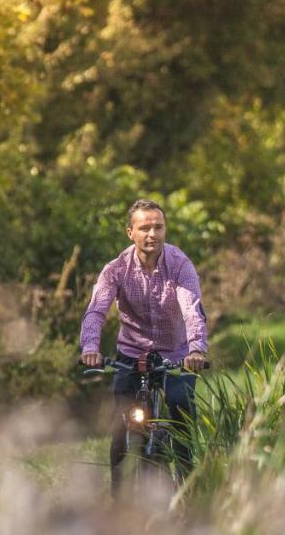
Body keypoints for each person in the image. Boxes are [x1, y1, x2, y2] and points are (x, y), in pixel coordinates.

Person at [79, 198, 209, 495]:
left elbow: (192, 309)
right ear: (130, 232)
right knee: (120, 426)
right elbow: (97, 310)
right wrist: (90, 347)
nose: (153, 234)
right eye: (145, 228)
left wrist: (197, 350)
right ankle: (119, 500)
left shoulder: (180, 265)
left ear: (166, 230)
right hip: (131, 354)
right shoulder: (115, 269)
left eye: (159, 227)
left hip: (177, 355)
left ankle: (188, 486)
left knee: (180, 406)